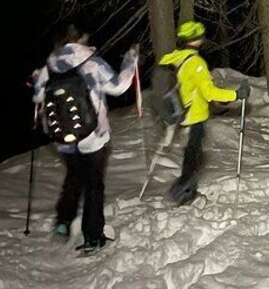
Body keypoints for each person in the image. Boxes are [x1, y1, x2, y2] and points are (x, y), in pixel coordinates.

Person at [32, 24, 138, 253]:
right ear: (80, 39)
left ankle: (62, 223)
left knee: (73, 177)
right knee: (93, 184)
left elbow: (38, 96)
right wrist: (131, 61)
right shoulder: (92, 63)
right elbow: (119, 87)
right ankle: (92, 237)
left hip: (63, 138)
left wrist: (36, 79)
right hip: (93, 135)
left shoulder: (48, 68)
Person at [158, 20, 250, 206]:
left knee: (192, 156)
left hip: (179, 116)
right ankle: (184, 193)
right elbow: (210, 93)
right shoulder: (195, 63)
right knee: (194, 158)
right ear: (195, 40)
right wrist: (236, 94)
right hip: (193, 117)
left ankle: (185, 191)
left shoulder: (172, 59)